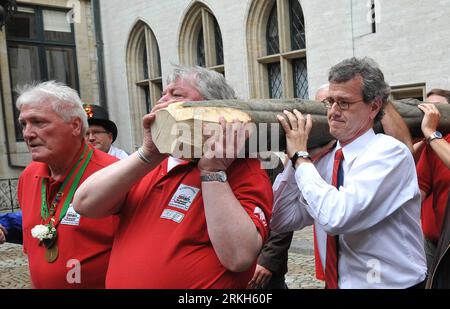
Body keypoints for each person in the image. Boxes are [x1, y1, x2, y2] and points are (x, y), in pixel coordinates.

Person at [73, 65, 273, 289]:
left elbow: (239, 257)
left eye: (176, 95)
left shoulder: (243, 168)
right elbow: (84, 204)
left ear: (214, 109)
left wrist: (213, 172)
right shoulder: (151, 162)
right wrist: (147, 154)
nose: (161, 103)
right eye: (162, 94)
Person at [271, 57, 427, 288]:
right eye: (330, 102)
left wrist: (301, 158)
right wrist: (296, 163)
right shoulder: (322, 160)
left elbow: (337, 217)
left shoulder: (390, 153)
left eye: (343, 103)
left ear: (374, 107)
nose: (333, 112)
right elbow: (280, 219)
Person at [16, 81, 119, 288]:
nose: (27, 134)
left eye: (38, 122)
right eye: (23, 124)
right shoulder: (28, 175)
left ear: (75, 126)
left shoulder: (114, 175)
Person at [0, 104, 128, 248]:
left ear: (110, 137)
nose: (91, 138)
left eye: (97, 132)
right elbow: (46, 211)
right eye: (86, 133)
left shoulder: (127, 170)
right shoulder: (61, 168)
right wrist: (6, 225)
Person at [416, 89, 450, 271]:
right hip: (433, 241)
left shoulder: (435, 139)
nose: (430, 112)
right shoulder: (432, 143)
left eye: (436, 108)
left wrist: (430, 132)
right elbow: (417, 191)